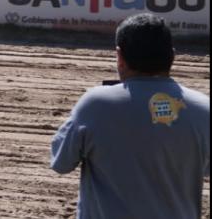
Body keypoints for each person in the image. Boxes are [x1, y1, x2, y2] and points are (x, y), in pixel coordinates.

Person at [50, 13, 210, 219]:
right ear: (172, 56)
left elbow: (61, 163)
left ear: (119, 57)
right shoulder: (203, 108)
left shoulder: (95, 105)